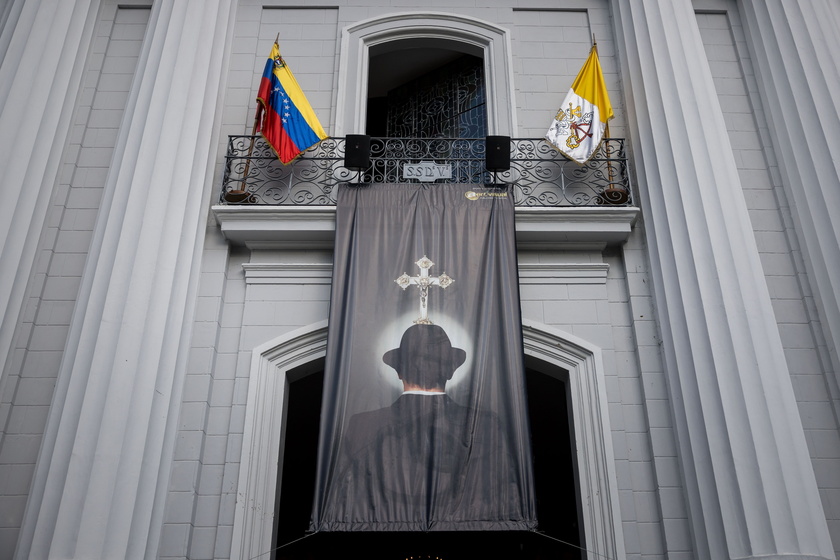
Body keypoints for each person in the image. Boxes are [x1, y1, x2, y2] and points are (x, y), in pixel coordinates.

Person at [320, 323, 523, 531]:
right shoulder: (485, 426)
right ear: (451, 371)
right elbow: (507, 504)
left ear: (399, 372)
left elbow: (343, 505)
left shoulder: (363, 426)